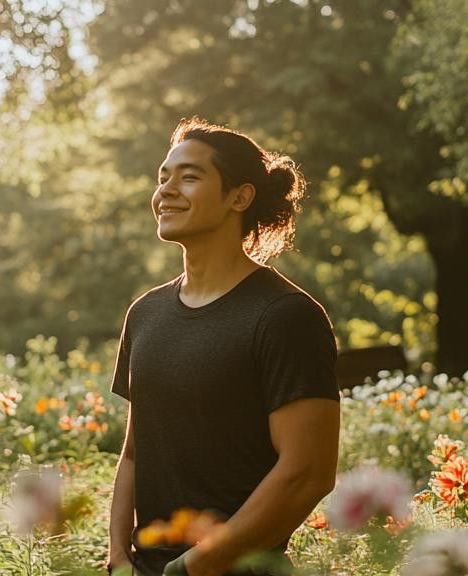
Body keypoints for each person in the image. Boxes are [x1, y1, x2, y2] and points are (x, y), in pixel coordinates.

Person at [105, 118, 341, 576]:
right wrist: (118, 557)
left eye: (189, 177)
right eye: (163, 177)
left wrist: (197, 565)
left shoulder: (286, 317)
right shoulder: (145, 314)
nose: (166, 191)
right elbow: (135, 451)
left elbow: (308, 473)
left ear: (240, 196)